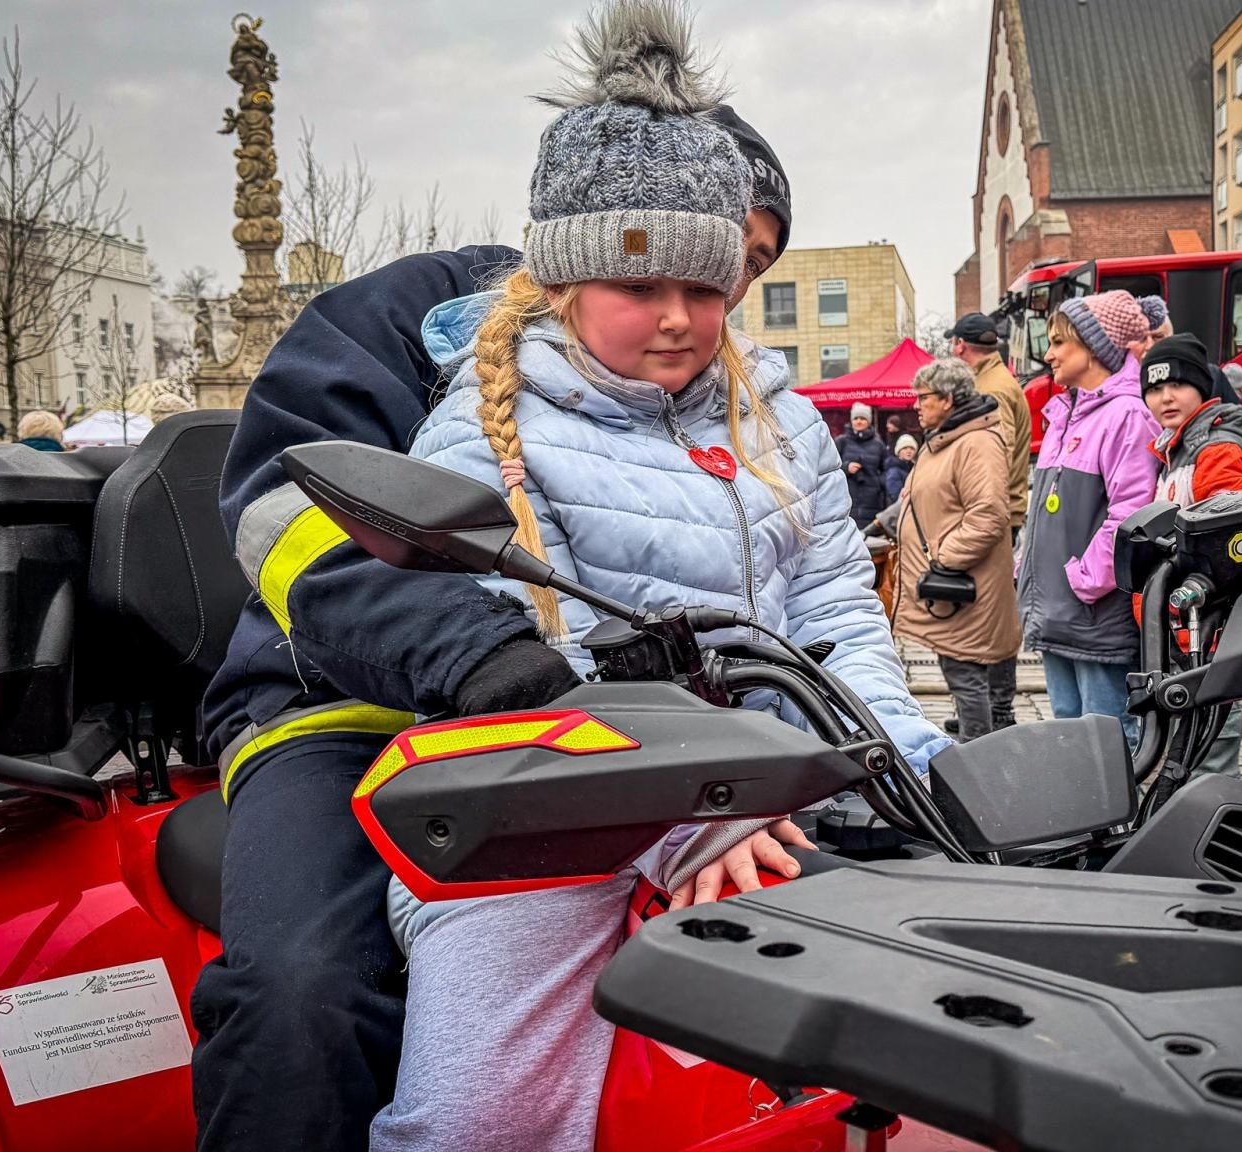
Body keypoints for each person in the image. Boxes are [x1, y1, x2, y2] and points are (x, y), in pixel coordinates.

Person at [368, 0, 949, 1152]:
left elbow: (837, 602)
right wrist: (692, 819)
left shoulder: (778, 417)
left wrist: (901, 761)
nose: (680, 318)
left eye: (705, 285)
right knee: (478, 1122)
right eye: (641, 286)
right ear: (564, 279)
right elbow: (526, 658)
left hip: (784, 791)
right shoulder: (485, 433)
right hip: (547, 821)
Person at [191, 57, 796, 1152]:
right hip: (340, 707)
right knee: (302, 988)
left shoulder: (706, 381)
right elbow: (286, 518)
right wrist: (476, 650)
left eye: (730, 275)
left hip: (588, 730)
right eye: (665, 262)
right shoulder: (396, 317)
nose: (700, 310)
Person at [1018, 291, 1159, 748]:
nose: (1050, 353)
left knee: (1106, 734)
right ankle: (1082, 820)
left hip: (1092, 611)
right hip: (1062, 610)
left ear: (1095, 347)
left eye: (1060, 342)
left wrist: (1086, 579)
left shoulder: (1126, 415)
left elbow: (1130, 510)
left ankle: (1118, 822)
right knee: (1068, 729)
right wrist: (1028, 566)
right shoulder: (1064, 416)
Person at [1138, 334, 1242, 778]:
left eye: (1178, 385)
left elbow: (1229, 545)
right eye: (1153, 388)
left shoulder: (1216, 448)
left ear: (1203, 387)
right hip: (1184, 629)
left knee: (1210, 748)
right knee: (1191, 753)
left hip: (1205, 628)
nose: (1165, 397)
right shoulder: (1177, 449)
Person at [890, 358, 1021, 741]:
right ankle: (978, 737)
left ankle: (976, 750)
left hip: (962, 584)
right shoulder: (948, 438)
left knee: (966, 673)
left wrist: (942, 558)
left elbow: (988, 516)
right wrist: (884, 523)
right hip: (957, 582)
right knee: (962, 669)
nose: (916, 404)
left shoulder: (974, 442)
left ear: (947, 399)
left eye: (923, 397)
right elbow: (918, 497)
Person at [946, 311, 1031, 540]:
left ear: (961, 345)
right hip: (996, 512)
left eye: (953, 344)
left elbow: (999, 455)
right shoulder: (992, 380)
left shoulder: (992, 388)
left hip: (992, 516)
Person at [1137, 295, 1242, 405]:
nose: (1149, 345)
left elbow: (1236, 418)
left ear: (1171, 335)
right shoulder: (1122, 391)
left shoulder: (1212, 376)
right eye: (1141, 338)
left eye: (1158, 337)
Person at [836, 401, 893, 526]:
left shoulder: (878, 445)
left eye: (863, 418)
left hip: (872, 502)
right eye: (856, 418)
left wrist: (878, 483)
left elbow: (887, 470)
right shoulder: (841, 442)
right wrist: (846, 468)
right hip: (846, 501)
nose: (859, 421)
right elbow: (829, 468)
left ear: (869, 421)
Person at [885, 431, 918, 500]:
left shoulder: (914, 468)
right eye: (905, 448)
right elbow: (896, 496)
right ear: (899, 451)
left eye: (912, 448)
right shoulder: (894, 471)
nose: (909, 451)